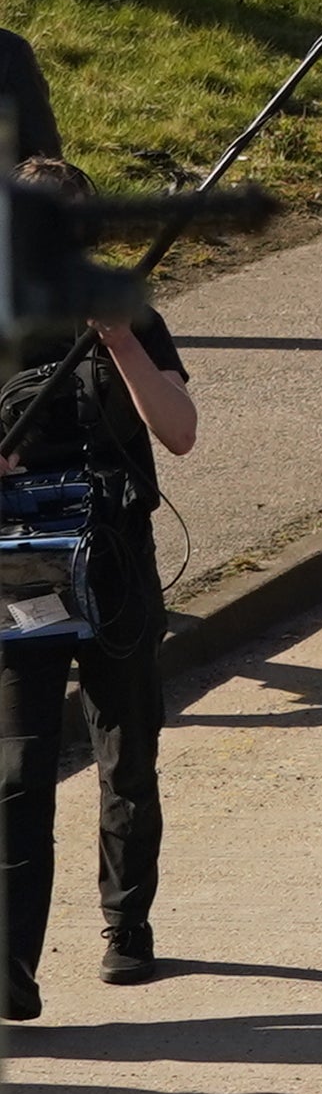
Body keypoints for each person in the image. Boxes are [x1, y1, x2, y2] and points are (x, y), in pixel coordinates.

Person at [1, 158, 193, 1008]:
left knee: (130, 744)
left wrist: (119, 341)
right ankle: (12, 962)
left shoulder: (131, 314)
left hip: (115, 556)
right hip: (24, 566)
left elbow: (180, 431)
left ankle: (127, 923)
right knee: (19, 766)